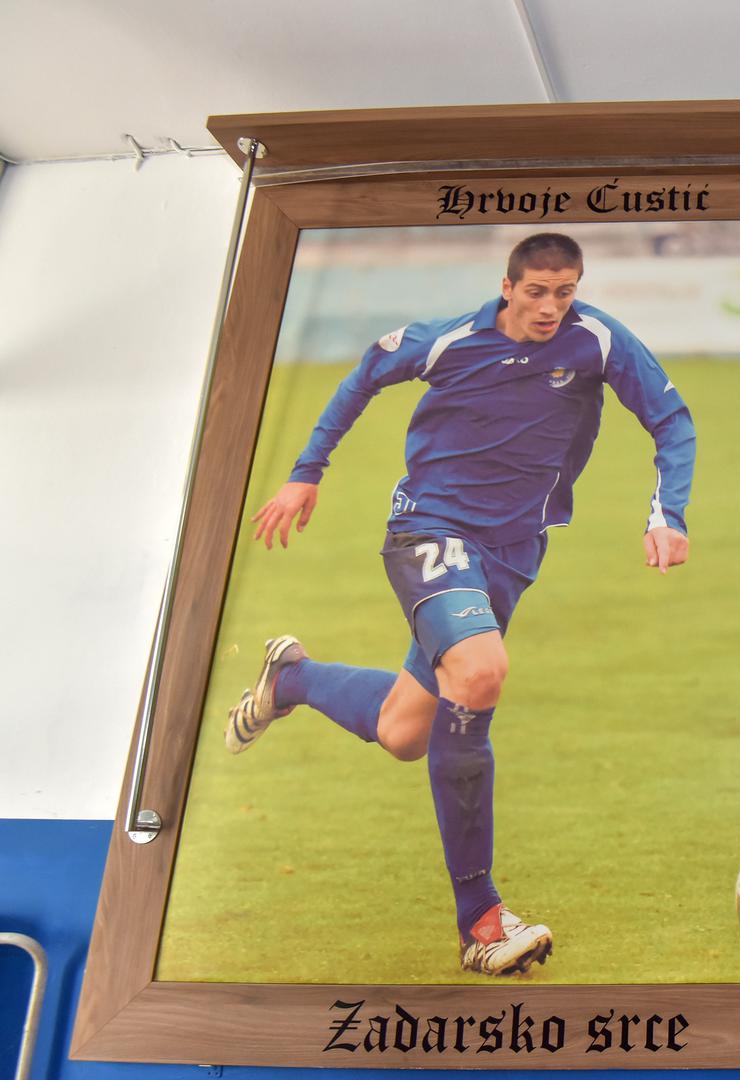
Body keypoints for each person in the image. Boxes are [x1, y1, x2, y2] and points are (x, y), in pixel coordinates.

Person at [225, 232, 695, 976]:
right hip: (431, 530)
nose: (551, 306)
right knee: (480, 673)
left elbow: (672, 420)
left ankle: (293, 679)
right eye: (536, 291)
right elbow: (364, 375)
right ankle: (481, 918)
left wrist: (667, 513)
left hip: (511, 556)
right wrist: (306, 471)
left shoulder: (597, 341)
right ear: (507, 287)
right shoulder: (447, 341)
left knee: (404, 731)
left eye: (565, 291)